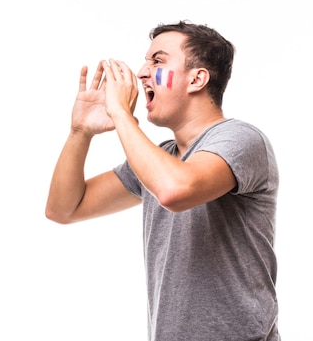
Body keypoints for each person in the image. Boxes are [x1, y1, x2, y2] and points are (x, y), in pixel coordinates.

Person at [45, 21, 281, 341]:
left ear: (197, 79)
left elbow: (175, 191)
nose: (142, 73)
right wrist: (80, 132)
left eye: (157, 61)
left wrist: (122, 115)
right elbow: (64, 209)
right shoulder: (160, 159)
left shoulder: (241, 139)